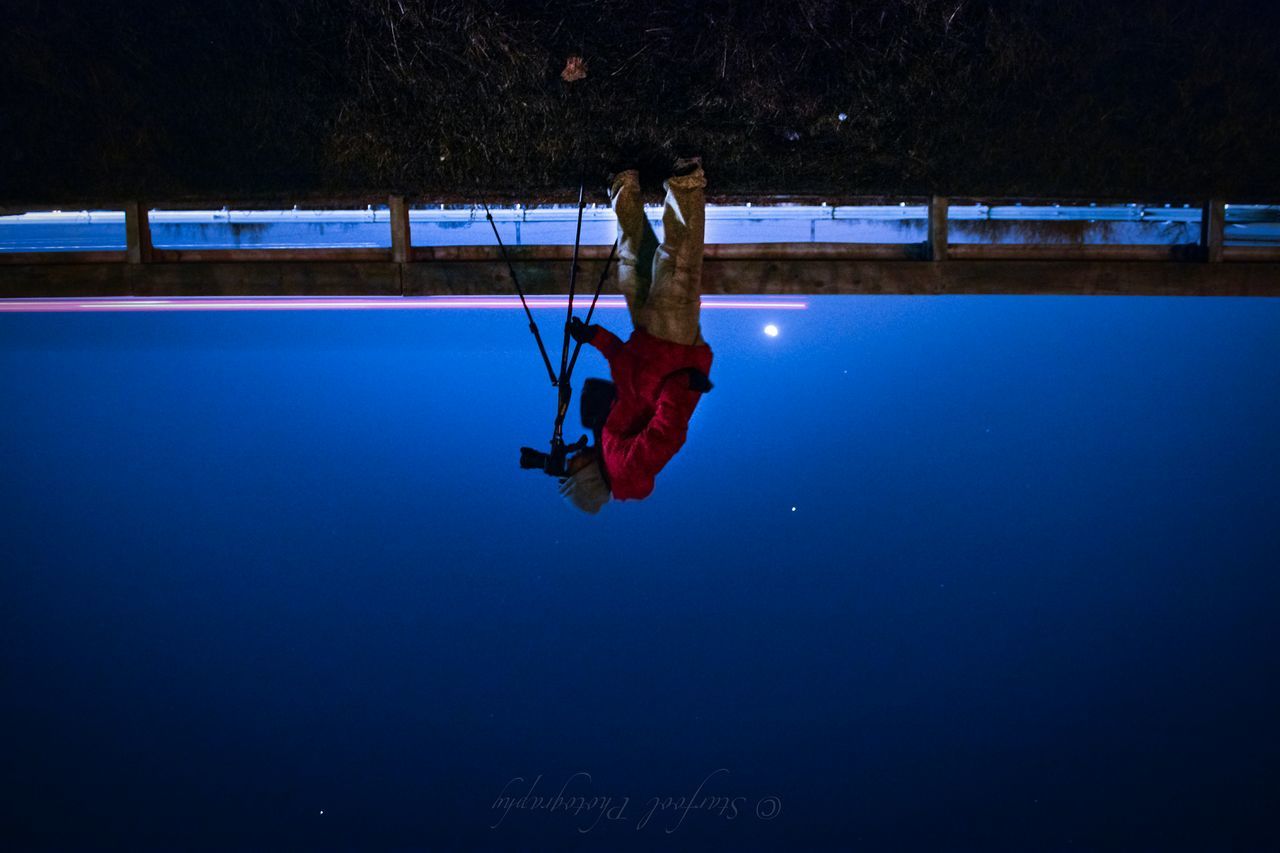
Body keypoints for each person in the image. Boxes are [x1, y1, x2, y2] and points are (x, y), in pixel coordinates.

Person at [557, 157, 714, 514]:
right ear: (588, 480)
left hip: (646, 343)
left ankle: (624, 183)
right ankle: (686, 179)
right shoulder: (627, 467)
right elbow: (666, 434)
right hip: (671, 352)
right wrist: (683, 386)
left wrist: (593, 336)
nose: (572, 461)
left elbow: (628, 381)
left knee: (633, 260)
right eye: (572, 469)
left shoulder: (608, 446)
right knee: (677, 266)